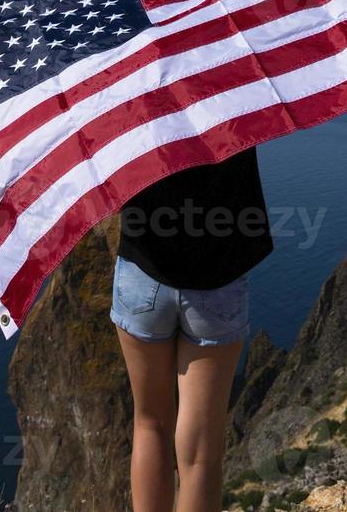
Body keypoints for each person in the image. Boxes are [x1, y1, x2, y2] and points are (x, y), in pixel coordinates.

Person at [110, 147, 273, 512]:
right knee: (201, 452)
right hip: (217, 276)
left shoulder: (127, 91)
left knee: (150, 422)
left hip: (142, 271)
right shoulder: (232, 90)